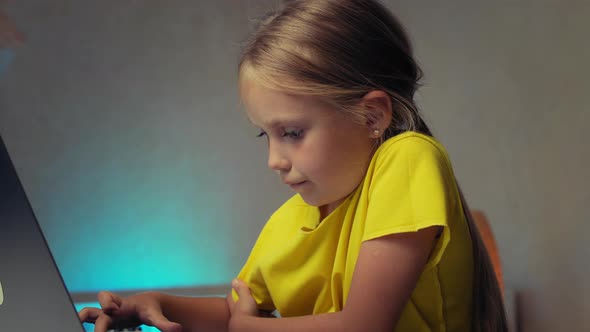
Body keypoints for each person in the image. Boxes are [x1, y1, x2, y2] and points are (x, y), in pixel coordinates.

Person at [79, 0, 507, 331]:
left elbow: (364, 325)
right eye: (266, 135)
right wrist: (157, 304)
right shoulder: (287, 222)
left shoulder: (410, 158)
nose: (274, 161)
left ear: (373, 117)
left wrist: (247, 328)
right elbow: (235, 312)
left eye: (293, 133)